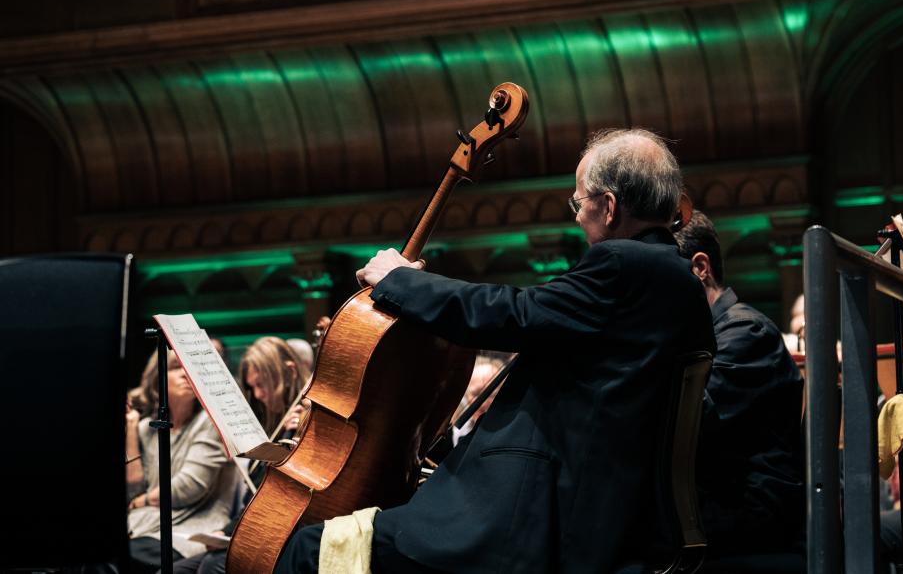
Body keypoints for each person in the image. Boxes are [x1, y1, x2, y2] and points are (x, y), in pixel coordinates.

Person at [275, 127, 717, 573]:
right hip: (599, 512)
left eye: (578, 202)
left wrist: (399, 279)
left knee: (306, 550)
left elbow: (511, 313)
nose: (578, 217)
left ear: (608, 206)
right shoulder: (680, 283)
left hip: (536, 518)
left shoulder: (622, 265)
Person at [674, 210, 805, 560]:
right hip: (721, 509)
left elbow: (688, 421)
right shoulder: (703, 337)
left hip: (753, 518)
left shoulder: (747, 331)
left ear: (700, 268)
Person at [169, 336, 311, 574]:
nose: (257, 395)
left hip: (288, 530)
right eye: (252, 386)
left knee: (212, 567)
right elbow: (254, 494)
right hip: (251, 527)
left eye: (262, 385)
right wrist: (225, 532)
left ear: (291, 372)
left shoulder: (306, 417)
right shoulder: (270, 422)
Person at [124, 349, 238, 573]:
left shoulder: (211, 422)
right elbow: (133, 487)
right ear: (157, 380)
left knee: (119, 558)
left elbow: (188, 487)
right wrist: (130, 429)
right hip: (146, 527)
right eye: (177, 368)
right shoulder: (146, 428)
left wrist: (140, 502)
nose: (187, 374)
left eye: (190, 368)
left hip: (190, 531)